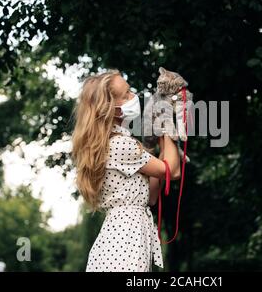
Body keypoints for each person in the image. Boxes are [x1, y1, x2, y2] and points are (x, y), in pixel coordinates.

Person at [71, 69, 181, 272]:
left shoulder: (116, 143)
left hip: (124, 240)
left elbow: (152, 196)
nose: (134, 97)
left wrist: (162, 141)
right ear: (112, 108)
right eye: (127, 94)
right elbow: (172, 171)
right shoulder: (121, 145)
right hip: (126, 243)